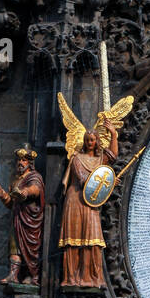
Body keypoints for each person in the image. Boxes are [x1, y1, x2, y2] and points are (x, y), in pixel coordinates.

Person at [59, 120, 118, 287]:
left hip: (90, 202)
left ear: (97, 141)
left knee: (92, 237)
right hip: (76, 199)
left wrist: (113, 134)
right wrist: (108, 181)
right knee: (74, 238)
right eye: (87, 140)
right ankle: (72, 278)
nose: (89, 142)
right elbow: (84, 180)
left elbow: (113, 155)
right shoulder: (77, 159)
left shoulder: (100, 159)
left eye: (92, 140)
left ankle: (91, 277)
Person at [0, 145, 45, 286]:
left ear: (30, 163)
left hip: (30, 219)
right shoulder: (15, 179)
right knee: (14, 246)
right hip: (17, 217)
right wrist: (2, 194)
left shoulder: (34, 176)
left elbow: (36, 189)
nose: (20, 163)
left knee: (30, 247)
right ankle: (13, 275)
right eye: (19, 160)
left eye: (24, 160)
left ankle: (31, 275)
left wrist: (26, 192)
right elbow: (11, 204)